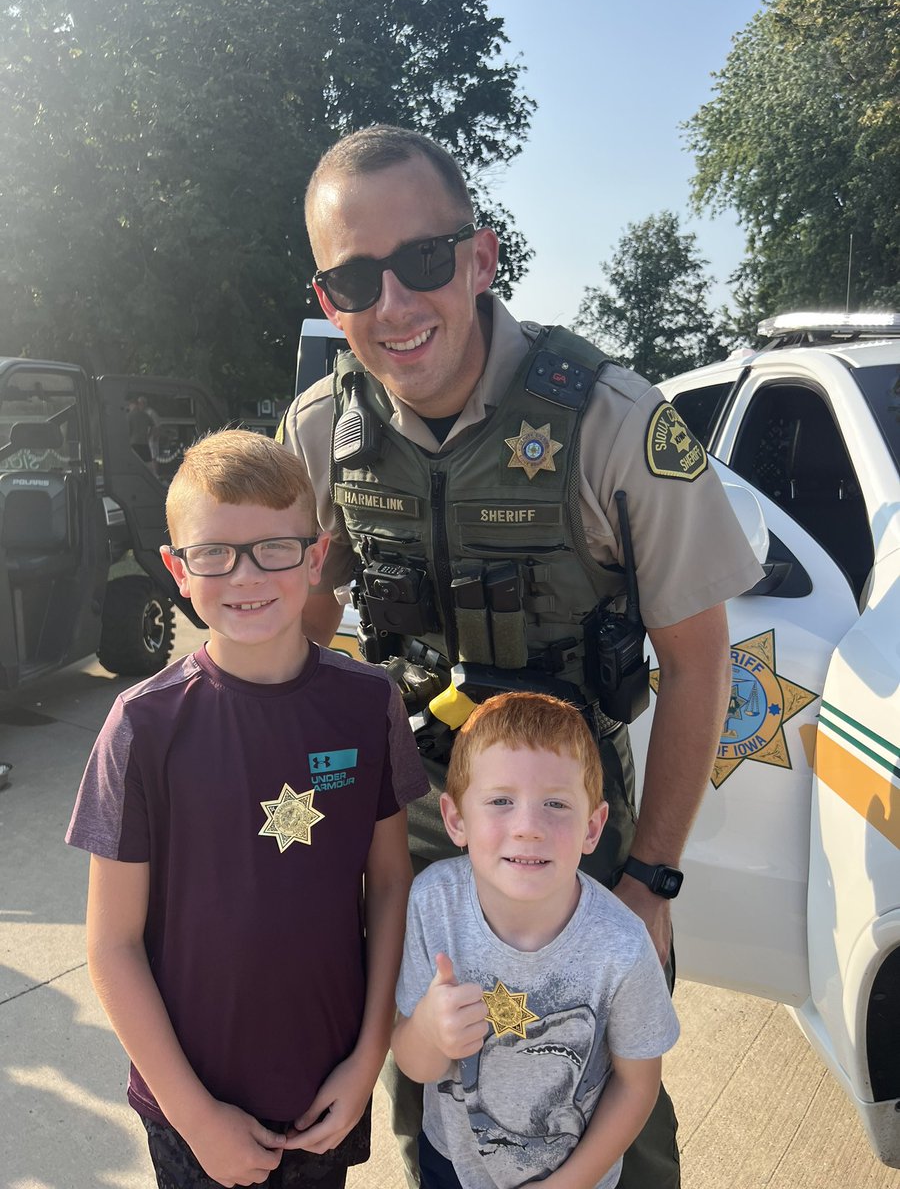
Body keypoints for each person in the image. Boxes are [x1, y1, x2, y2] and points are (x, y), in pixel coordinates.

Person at [279, 124, 763, 1187]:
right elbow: (296, 642)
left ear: (481, 257)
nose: (395, 305)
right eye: (356, 279)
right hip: (418, 804)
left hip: (572, 811)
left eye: (421, 261)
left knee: (602, 1079)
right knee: (436, 1072)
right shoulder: (323, 433)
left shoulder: (607, 420)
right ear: (328, 302)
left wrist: (649, 883)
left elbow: (699, 663)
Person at [66, 429, 429, 1189]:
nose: (245, 574)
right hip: (191, 1108)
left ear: (317, 554)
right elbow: (112, 946)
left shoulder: (369, 705)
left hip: (328, 1086)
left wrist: (369, 1059)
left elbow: (391, 885)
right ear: (176, 567)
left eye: (274, 547)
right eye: (214, 553)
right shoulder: (143, 726)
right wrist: (196, 1116)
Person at [393, 692, 680, 1189]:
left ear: (593, 827)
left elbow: (637, 1087)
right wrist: (427, 1030)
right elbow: (416, 1066)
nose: (528, 828)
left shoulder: (622, 947)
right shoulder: (432, 902)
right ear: (456, 819)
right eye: (501, 801)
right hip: (454, 1168)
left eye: (556, 804)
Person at [128, 394, 161, 473]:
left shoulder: (129, 416)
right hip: (144, 443)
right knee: (148, 463)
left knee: (135, 462)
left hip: (134, 443)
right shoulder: (145, 415)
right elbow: (154, 426)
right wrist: (148, 436)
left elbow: (128, 430)